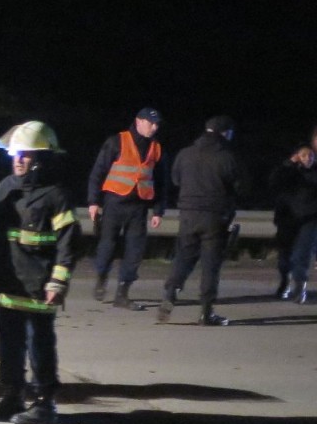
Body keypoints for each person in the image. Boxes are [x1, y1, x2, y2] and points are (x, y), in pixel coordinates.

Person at [0, 121, 78, 424]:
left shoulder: (56, 196)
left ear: (40, 159)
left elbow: (69, 243)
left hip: (38, 287)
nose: (17, 160)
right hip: (5, 283)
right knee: (8, 345)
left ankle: (45, 403)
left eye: (25, 155)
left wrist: (58, 280)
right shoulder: (4, 189)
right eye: (15, 155)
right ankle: (12, 396)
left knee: (39, 346)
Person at [158, 115, 250, 326]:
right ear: (225, 133)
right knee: (210, 265)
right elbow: (242, 187)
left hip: (188, 214)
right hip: (215, 217)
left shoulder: (185, 153)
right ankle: (206, 312)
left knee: (183, 258)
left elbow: (175, 180)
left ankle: (170, 295)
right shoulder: (227, 156)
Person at [87, 108, 168, 308]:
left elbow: (161, 182)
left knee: (135, 252)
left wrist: (158, 210)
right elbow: (98, 172)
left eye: (157, 124)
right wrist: (93, 202)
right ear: (139, 122)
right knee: (107, 246)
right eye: (151, 123)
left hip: (139, 206)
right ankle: (102, 277)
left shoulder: (156, 148)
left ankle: (122, 294)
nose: (154, 127)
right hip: (114, 203)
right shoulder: (117, 141)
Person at [268, 139, 317, 303]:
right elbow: (274, 181)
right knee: (284, 256)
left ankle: (300, 288)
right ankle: (285, 282)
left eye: (311, 155)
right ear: (297, 156)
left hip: (309, 220)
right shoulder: (288, 171)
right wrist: (289, 164)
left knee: (301, 255)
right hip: (287, 219)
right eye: (304, 155)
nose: (308, 158)